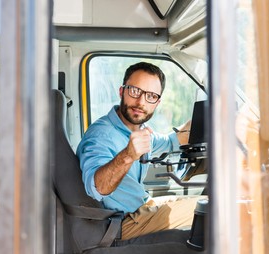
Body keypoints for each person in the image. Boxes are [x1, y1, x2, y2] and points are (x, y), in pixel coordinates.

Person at [76, 61, 203, 240]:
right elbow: (97, 187)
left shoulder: (138, 131)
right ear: (122, 91)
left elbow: (170, 141)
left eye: (151, 96)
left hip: (142, 208)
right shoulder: (101, 135)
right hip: (121, 224)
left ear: (157, 103)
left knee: (207, 205)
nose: (141, 102)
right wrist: (128, 155)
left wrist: (202, 122)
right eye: (135, 91)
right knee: (215, 211)